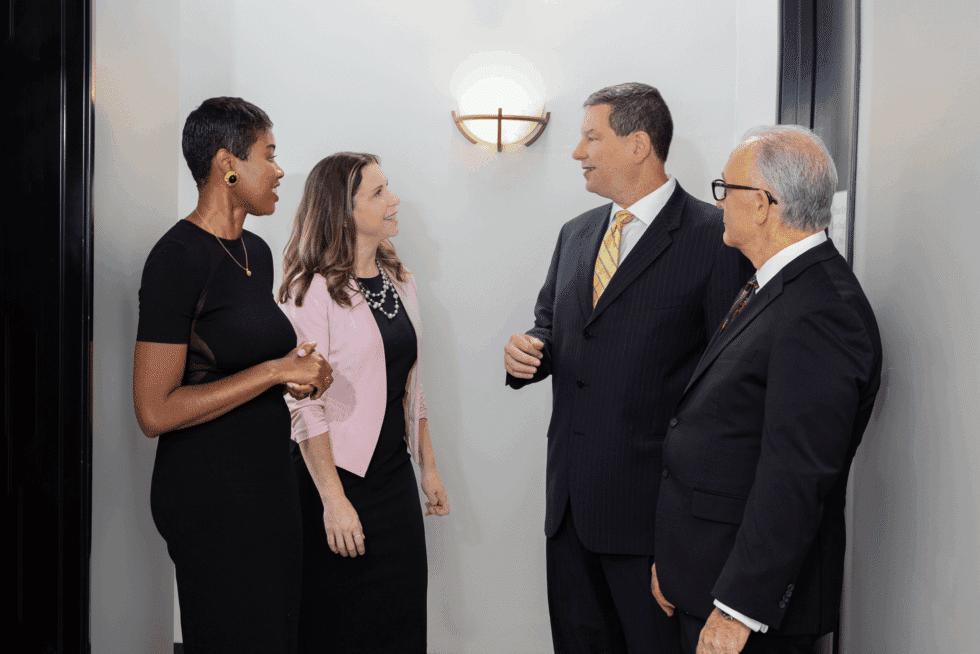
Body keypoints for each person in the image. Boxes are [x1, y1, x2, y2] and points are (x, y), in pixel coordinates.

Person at [503, 82, 753, 653]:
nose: (577, 152)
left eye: (591, 137)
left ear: (638, 144)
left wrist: (692, 538)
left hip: (654, 526)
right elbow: (553, 324)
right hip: (568, 516)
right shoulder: (576, 234)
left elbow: (726, 391)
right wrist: (528, 353)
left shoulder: (716, 239)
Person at [651, 125, 883, 654]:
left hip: (748, 612)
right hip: (705, 576)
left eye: (725, 189)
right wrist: (675, 560)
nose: (720, 204)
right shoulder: (775, 284)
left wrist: (739, 610)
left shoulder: (823, 309)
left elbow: (795, 476)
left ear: (761, 204)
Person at [133, 97, 332, 654]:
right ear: (228, 164)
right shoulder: (176, 257)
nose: (279, 169)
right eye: (269, 155)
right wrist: (273, 370)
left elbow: (236, 354)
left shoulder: (256, 252)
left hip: (268, 485)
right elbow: (154, 411)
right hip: (209, 494)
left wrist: (299, 374)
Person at [278, 152, 450, 654]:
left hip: (392, 480)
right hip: (334, 482)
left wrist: (429, 468)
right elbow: (303, 407)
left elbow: (409, 386)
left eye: (387, 188)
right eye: (378, 193)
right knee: (339, 627)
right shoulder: (306, 289)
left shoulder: (401, 279)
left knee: (399, 623)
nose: (394, 200)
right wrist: (334, 503)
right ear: (342, 211)